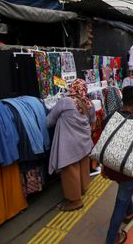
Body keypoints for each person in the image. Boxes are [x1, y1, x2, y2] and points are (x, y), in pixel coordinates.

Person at [103, 86, 133, 244]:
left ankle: (130, 212)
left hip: (111, 167)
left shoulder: (110, 117)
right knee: (121, 201)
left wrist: (104, 165)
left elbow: (104, 143)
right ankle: (112, 238)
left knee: (125, 191)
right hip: (127, 170)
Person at [47, 79, 93, 211]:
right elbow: (93, 120)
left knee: (70, 172)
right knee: (83, 165)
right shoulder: (88, 102)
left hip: (69, 145)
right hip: (84, 142)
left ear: (72, 88)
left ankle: (75, 201)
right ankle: (83, 189)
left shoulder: (65, 101)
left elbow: (49, 121)